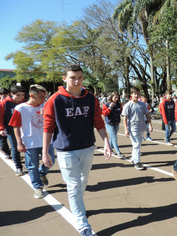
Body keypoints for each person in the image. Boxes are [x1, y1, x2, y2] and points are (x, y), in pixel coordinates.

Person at [42, 63, 112, 236]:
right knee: (73, 186)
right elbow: (48, 126)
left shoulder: (91, 98)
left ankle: (77, 207)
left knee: (82, 181)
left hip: (87, 147)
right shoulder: (55, 100)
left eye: (80, 77)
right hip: (66, 150)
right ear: (65, 78)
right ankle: (82, 225)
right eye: (73, 77)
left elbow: (98, 121)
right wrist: (45, 152)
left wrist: (107, 142)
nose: (77, 80)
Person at [9, 84, 55, 199]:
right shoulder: (20, 108)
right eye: (41, 96)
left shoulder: (45, 106)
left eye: (45, 96)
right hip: (30, 142)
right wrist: (19, 142)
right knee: (32, 165)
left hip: (46, 141)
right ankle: (37, 187)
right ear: (32, 96)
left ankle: (41, 174)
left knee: (51, 161)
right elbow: (15, 126)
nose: (44, 99)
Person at [122, 87, 153, 170]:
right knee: (136, 145)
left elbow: (147, 115)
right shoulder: (128, 105)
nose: (136, 95)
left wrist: (150, 125)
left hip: (142, 127)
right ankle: (137, 161)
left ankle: (133, 158)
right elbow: (124, 118)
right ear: (131, 95)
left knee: (138, 144)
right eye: (134, 94)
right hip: (132, 127)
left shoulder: (142, 104)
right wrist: (126, 129)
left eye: (138, 94)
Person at [0, 85, 26, 176]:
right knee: (15, 148)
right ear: (12, 94)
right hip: (11, 130)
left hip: (25, 130)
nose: (21, 97)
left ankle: (30, 165)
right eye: (18, 95)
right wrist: (1, 128)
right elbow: (0, 117)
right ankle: (18, 167)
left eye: (22, 95)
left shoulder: (25, 102)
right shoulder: (5, 103)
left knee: (27, 148)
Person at [102, 92, 125, 158]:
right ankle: (118, 152)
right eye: (115, 97)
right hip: (109, 124)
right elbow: (104, 113)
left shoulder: (118, 104)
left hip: (116, 123)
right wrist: (110, 107)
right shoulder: (106, 104)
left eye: (117, 97)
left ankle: (110, 149)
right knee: (114, 138)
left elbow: (122, 112)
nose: (116, 99)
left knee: (112, 137)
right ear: (111, 97)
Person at [0, 88, 11, 158]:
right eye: (3, 96)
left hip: (9, 124)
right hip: (1, 125)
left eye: (6, 96)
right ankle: (7, 152)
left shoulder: (10, 103)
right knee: (3, 141)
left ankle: (16, 154)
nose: (5, 97)